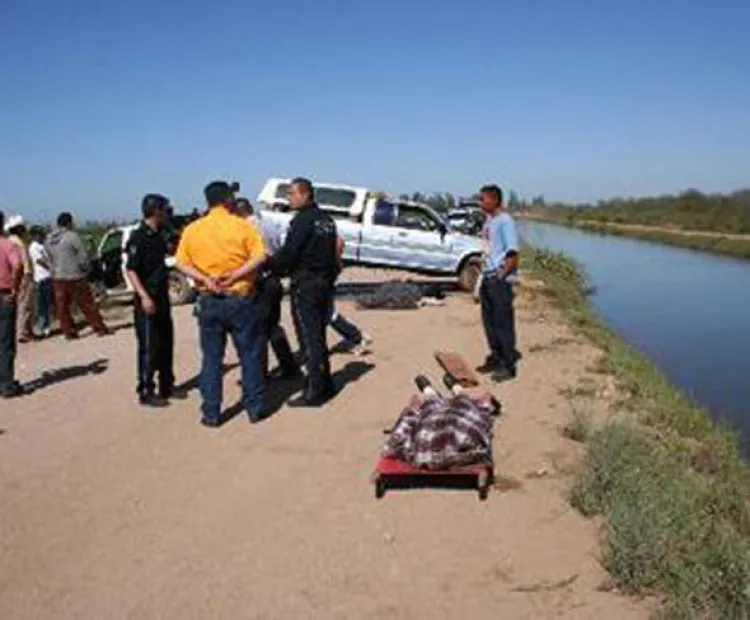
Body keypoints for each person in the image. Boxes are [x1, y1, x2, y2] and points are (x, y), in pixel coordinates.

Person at [175, 181, 267, 428]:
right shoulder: (242, 226)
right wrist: (236, 275)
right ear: (228, 199)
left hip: (209, 300)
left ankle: (211, 413)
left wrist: (205, 278)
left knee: (212, 358)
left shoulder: (193, 230)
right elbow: (260, 256)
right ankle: (255, 408)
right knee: (250, 354)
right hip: (240, 298)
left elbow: (180, 263)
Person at [267, 177, 339, 407]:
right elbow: (334, 255)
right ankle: (325, 383)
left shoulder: (303, 221)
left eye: (291, 194)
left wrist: (269, 265)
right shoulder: (327, 220)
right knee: (318, 335)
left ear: (305, 194)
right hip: (324, 284)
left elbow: (289, 253)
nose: (288, 198)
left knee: (309, 339)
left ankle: (314, 391)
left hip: (306, 284)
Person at [234, 198, 299, 380]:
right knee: (273, 326)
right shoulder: (268, 224)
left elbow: (252, 258)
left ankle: (259, 373)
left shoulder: (246, 229)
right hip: (273, 279)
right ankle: (288, 365)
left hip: (259, 281)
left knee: (258, 329)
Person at [125, 194, 177, 407]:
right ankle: (146, 389)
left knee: (166, 341)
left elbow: (170, 253)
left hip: (162, 297)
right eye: (165, 209)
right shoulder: (139, 237)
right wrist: (144, 296)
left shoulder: (160, 234)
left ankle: (167, 383)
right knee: (149, 346)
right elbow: (131, 270)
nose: (167, 213)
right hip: (147, 299)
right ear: (156, 211)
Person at [475, 184, 520, 381]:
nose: (480, 202)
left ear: (494, 200)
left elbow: (512, 255)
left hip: (499, 281)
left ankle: (508, 364)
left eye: (483, 199)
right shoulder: (489, 221)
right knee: (490, 323)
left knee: (503, 324)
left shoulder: (505, 222)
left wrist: (500, 275)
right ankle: (495, 356)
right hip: (487, 277)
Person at [46, 212, 111, 339]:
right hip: (75, 275)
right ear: (69, 223)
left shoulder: (49, 239)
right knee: (87, 303)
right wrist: (86, 269)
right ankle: (99, 327)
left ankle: (69, 332)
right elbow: (82, 256)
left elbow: (47, 257)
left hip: (57, 276)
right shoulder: (72, 237)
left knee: (62, 306)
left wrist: (53, 269)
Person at [0, 211, 27, 398]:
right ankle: (7, 384)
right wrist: (15, 289)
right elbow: (18, 265)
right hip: (4, 296)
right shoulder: (7, 245)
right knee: (6, 341)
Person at [4, 216, 34, 342]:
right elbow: (21, 263)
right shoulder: (19, 242)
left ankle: (22, 330)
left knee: (18, 304)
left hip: (12, 277)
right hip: (23, 276)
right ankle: (23, 332)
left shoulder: (8, 241)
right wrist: (27, 275)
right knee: (25, 304)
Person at [28, 226, 53, 338]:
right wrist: (52, 267)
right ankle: (41, 327)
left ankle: (47, 327)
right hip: (40, 278)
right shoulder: (33, 247)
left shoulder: (43, 245)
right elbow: (40, 261)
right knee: (40, 305)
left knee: (47, 304)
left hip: (48, 277)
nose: (41, 235)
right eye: (39, 234)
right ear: (34, 235)